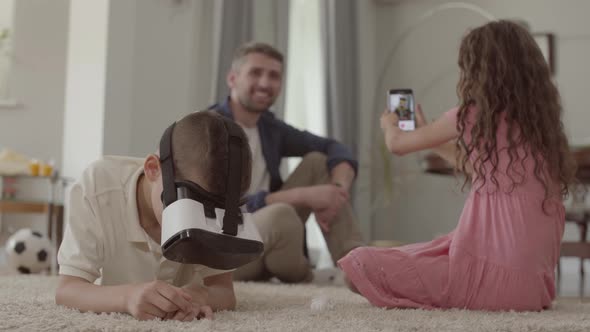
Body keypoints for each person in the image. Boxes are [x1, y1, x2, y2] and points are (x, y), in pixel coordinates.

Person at [339, 20, 576, 311]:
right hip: (535, 291)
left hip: (490, 286)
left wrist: (389, 124)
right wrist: (429, 135)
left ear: (479, 70)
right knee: (421, 256)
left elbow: (397, 145)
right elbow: (478, 167)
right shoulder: (541, 127)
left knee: (359, 267)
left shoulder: (469, 115)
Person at [55, 111, 252, 320]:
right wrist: (127, 297)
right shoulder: (97, 186)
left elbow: (223, 290)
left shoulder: (218, 202)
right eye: (189, 205)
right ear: (152, 169)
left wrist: (197, 296)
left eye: (211, 212)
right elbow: (68, 289)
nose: (198, 220)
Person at [210, 41, 364, 283]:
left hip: (269, 235)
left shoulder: (270, 128)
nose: (265, 83)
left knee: (317, 162)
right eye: (255, 73)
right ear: (232, 79)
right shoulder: (209, 129)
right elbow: (213, 210)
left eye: (274, 76)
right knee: (281, 214)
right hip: (226, 246)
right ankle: (306, 276)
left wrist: (337, 191)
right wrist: (302, 195)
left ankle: (358, 268)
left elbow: (336, 148)